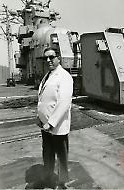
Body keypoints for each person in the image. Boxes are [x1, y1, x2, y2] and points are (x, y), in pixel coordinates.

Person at [37, 47, 73, 189]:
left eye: (51, 57)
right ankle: (48, 179)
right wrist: (39, 116)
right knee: (47, 153)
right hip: (45, 125)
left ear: (59, 58)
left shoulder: (64, 76)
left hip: (57, 125)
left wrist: (51, 123)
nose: (48, 60)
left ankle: (62, 183)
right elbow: (43, 98)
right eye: (46, 58)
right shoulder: (48, 75)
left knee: (61, 156)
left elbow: (64, 102)